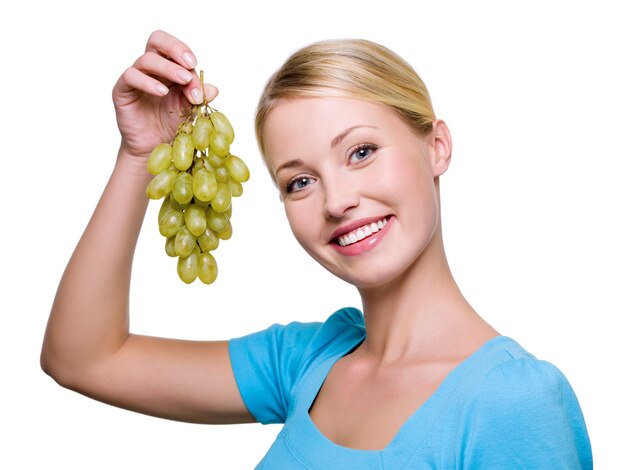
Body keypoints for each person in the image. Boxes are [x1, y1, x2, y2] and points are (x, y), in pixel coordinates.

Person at [41, 30, 592, 468]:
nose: (338, 201)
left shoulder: (515, 402)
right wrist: (139, 155)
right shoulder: (309, 361)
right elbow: (82, 358)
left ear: (437, 147)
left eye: (361, 151)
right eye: (299, 181)